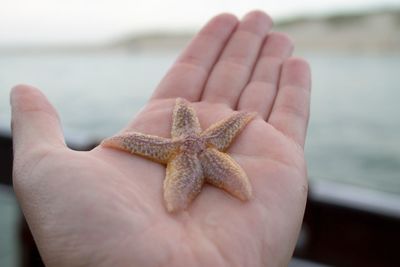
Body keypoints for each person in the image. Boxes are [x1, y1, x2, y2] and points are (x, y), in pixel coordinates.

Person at [11, 10, 311, 267]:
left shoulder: (197, 143)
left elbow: (233, 125)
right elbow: (141, 139)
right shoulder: (176, 146)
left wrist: (243, 124)